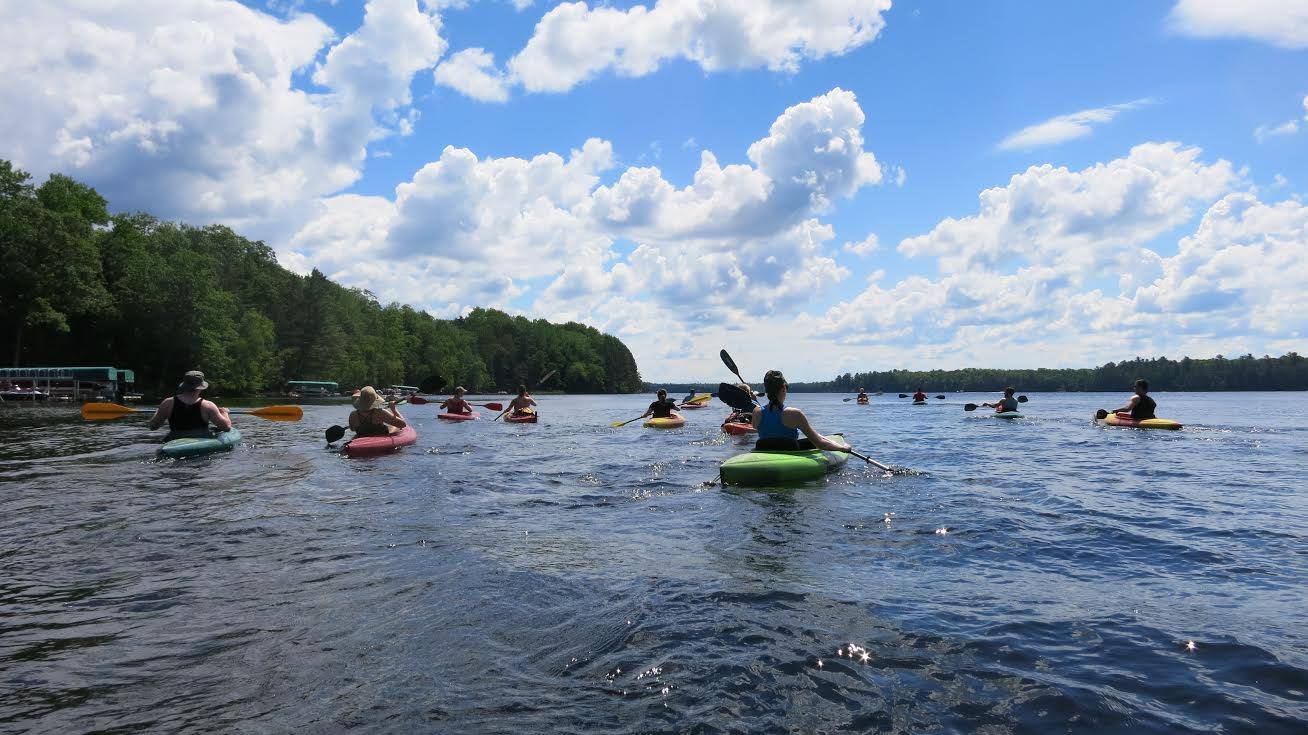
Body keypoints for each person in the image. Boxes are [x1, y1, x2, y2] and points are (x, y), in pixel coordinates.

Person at [752, 370, 846, 452]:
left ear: (767, 391)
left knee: (809, 440)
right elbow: (820, 444)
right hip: (790, 454)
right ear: (784, 388)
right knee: (812, 440)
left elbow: (765, 429)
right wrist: (843, 448)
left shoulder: (756, 412)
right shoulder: (794, 414)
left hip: (764, 451)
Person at [149, 370, 232, 434]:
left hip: (175, 440)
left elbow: (153, 426)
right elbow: (227, 428)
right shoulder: (208, 406)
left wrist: (158, 411)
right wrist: (225, 413)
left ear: (184, 385)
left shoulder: (167, 403)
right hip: (200, 443)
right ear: (201, 387)